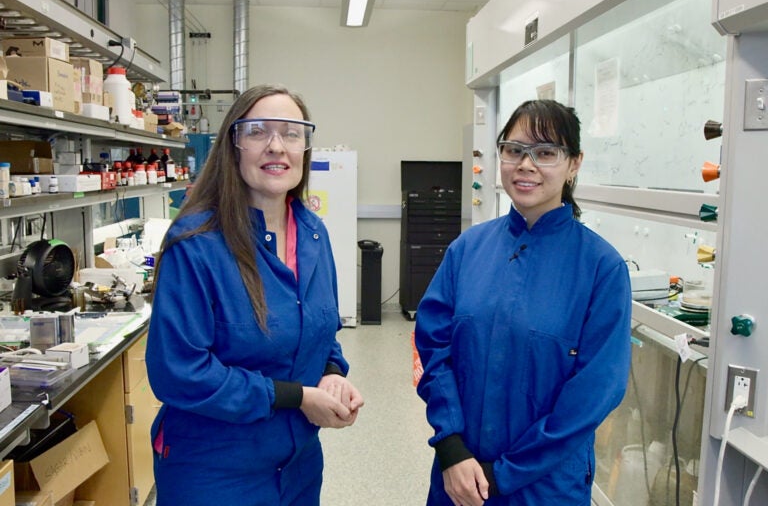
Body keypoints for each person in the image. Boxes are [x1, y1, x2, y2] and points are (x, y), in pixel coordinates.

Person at [146, 84, 364, 506]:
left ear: (305, 147)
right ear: (234, 145)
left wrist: (333, 373)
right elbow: (177, 372)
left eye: (291, 133)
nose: (276, 147)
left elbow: (322, 329)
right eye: (258, 132)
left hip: (298, 465)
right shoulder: (197, 242)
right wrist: (298, 396)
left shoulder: (314, 235)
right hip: (214, 471)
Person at [415, 99, 631, 505]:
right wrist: (450, 447)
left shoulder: (601, 268)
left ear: (574, 163)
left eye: (546, 153)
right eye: (514, 150)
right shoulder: (468, 249)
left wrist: (505, 474)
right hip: (458, 476)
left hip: (545, 485)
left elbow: (594, 392)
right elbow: (432, 347)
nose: (526, 165)